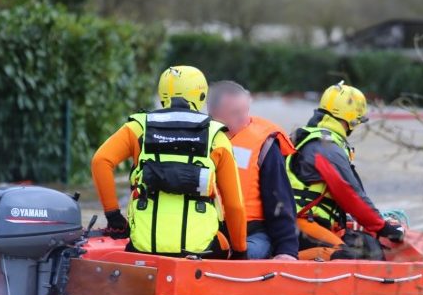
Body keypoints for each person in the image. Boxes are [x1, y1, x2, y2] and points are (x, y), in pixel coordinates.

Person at [91, 66, 248, 258]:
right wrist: (240, 252)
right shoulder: (216, 135)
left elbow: (100, 161)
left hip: (143, 248)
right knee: (224, 241)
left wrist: (113, 216)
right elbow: (235, 206)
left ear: (162, 94)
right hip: (201, 250)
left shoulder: (138, 127)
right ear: (201, 96)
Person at [286, 81, 404, 260]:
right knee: (348, 256)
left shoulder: (309, 137)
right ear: (351, 118)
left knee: (367, 246)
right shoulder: (326, 148)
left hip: (298, 221)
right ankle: (283, 262)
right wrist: (382, 227)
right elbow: (351, 194)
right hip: (299, 224)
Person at [207, 81, 299, 261]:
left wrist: (287, 251)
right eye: (235, 113)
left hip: (252, 235)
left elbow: (280, 199)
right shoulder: (199, 139)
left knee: (243, 257)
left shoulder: (264, 144)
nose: (244, 118)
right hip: (206, 232)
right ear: (214, 114)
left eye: (245, 110)